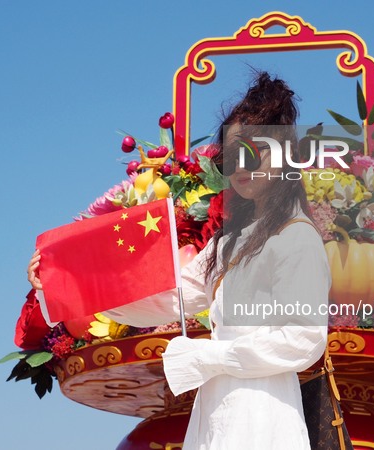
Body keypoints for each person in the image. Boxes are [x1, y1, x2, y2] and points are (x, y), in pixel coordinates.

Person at [28, 72, 331, 450]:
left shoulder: (296, 237)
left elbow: (303, 339)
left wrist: (209, 356)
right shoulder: (230, 242)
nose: (239, 165)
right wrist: (62, 283)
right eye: (231, 154)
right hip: (217, 410)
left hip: (264, 413)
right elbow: (170, 298)